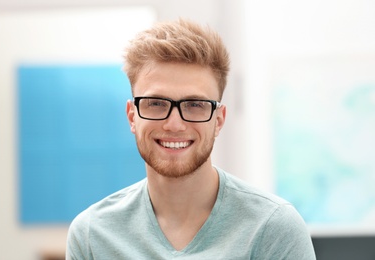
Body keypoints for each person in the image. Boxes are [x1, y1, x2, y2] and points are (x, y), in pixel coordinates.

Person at [66, 19, 316, 259]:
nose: (174, 124)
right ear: (132, 117)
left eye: (195, 104)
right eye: (155, 103)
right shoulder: (91, 235)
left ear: (218, 120)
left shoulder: (273, 229)